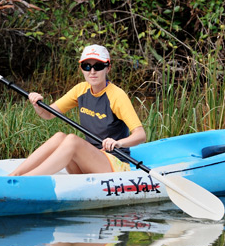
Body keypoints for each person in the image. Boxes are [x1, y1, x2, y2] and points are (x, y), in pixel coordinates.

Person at [9, 44, 146, 176]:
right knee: (59, 137)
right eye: (87, 66)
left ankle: (27, 180)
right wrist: (36, 104)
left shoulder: (117, 95)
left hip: (115, 164)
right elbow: (48, 114)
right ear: (81, 69)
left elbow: (140, 135)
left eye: (98, 66)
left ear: (108, 68)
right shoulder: (80, 89)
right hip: (88, 162)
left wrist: (119, 143)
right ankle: (15, 175)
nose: (92, 72)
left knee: (72, 140)